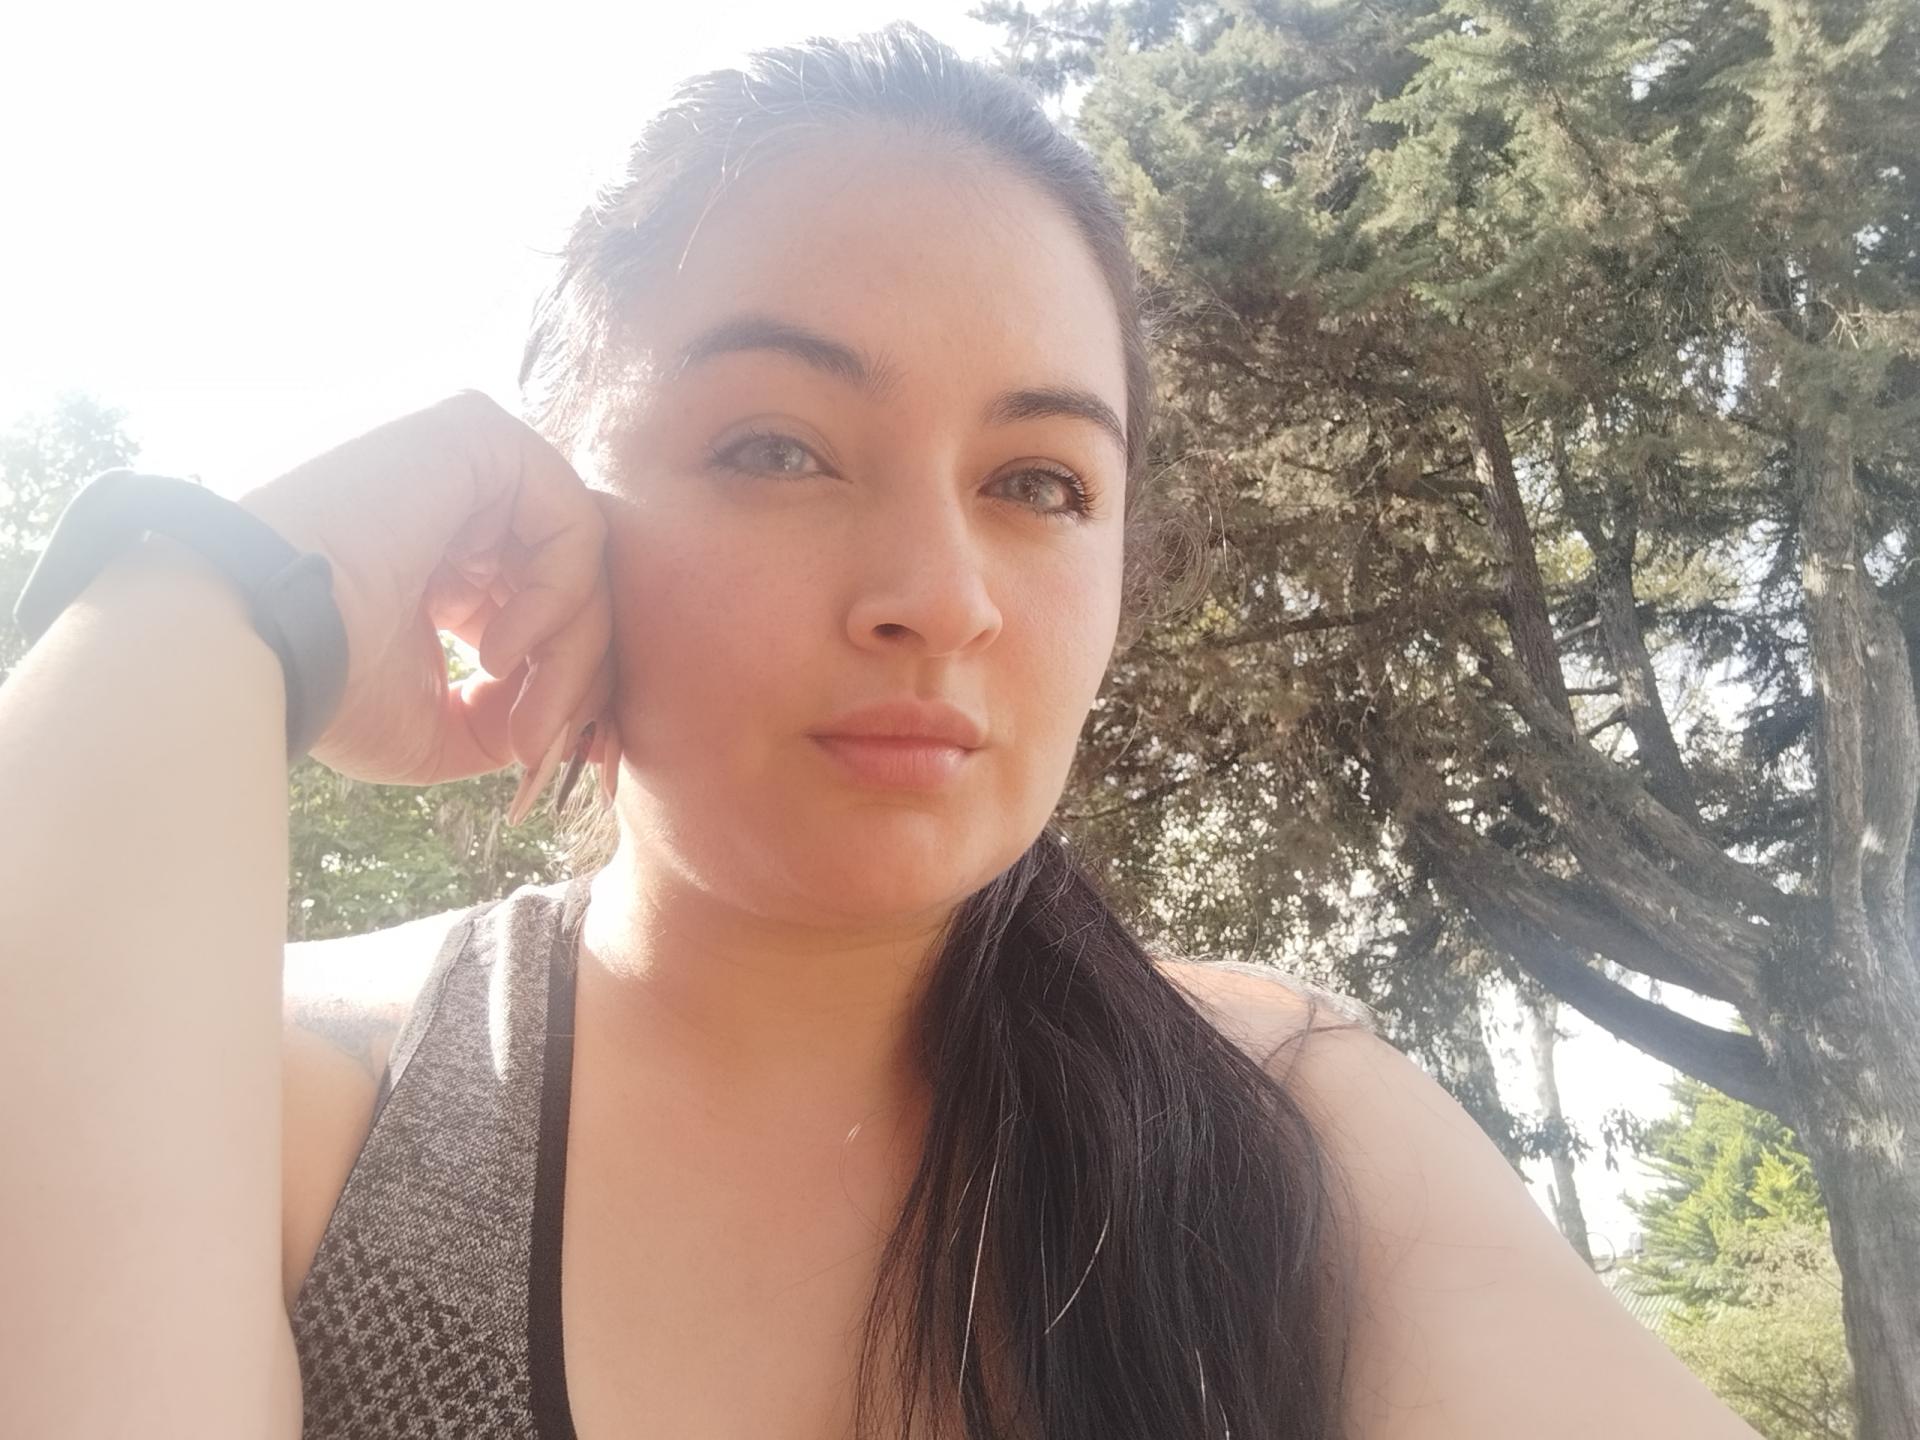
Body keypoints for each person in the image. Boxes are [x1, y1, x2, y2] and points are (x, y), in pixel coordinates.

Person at [0, 23, 1763, 1440]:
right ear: (545, 509)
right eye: (777, 448)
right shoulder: (305, 1112)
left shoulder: (1292, 1132)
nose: (939, 593)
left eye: (1038, 483)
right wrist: (204, 594)